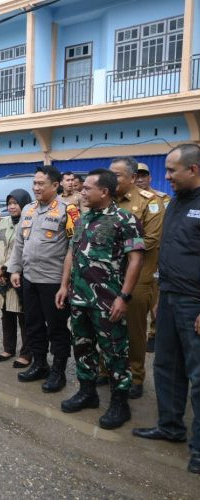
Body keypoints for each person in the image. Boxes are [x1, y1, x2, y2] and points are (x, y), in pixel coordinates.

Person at [55, 169, 144, 429]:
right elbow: (72, 253)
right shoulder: (83, 218)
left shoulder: (124, 219)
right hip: (79, 298)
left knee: (115, 351)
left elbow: (136, 259)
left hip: (108, 300)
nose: (81, 192)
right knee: (82, 346)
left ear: (104, 191)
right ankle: (87, 392)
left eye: (86, 189)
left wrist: (124, 297)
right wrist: (64, 286)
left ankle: (120, 403)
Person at [132, 144, 200, 475]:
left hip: (195, 303)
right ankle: (170, 426)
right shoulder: (174, 204)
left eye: (173, 170)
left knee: (198, 375)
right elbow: (167, 253)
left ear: (194, 169)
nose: (167, 176)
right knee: (166, 366)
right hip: (171, 297)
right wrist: (160, 296)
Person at [8, 166, 79, 393]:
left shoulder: (68, 211)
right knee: (33, 324)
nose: (36, 187)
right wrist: (15, 270)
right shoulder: (28, 209)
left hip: (54, 282)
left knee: (57, 328)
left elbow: (73, 248)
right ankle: (40, 364)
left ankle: (58, 371)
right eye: (35, 183)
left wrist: (66, 284)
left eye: (41, 184)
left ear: (55, 185)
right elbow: (19, 243)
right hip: (29, 279)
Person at [97, 157, 164, 399]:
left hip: (139, 277)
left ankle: (135, 375)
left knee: (135, 330)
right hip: (107, 276)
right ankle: (105, 370)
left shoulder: (150, 203)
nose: (112, 179)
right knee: (106, 324)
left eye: (118, 175)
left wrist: (117, 244)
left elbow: (152, 239)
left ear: (133, 178)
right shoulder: (105, 201)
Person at [0, 189, 32, 366]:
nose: (12, 207)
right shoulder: (3, 222)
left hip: (18, 275)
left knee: (23, 315)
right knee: (6, 314)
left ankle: (27, 353)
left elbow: (23, 250)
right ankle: (8, 348)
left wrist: (6, 269)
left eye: (16, 203)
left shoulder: (28, 223)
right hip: (1, 276)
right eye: (10, 203)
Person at [134, 162, 170, 353]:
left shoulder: (163, 199)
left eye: (143, 176)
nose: (140, 179)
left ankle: (154, 333)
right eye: (137, 176)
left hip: (158, 254)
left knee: (156, 296)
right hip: (138, 256)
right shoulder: (126, 200)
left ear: (149, 178)